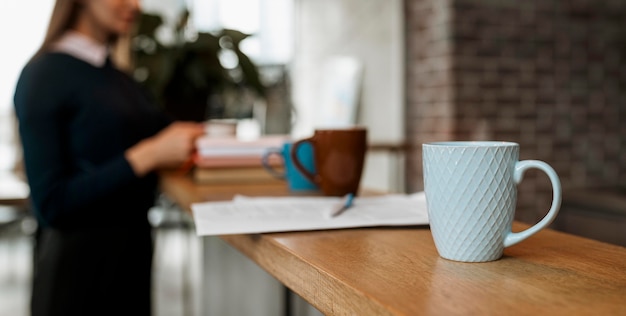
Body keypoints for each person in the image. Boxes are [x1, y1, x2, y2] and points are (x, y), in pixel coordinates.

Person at [13, 0, 205, 315]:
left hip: (130, 262)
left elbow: (165, 128)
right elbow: (50, 204)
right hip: (78, 278)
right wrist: (147, 155)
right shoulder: (43, 75)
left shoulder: (116, 76)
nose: (135, 4)